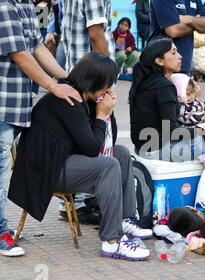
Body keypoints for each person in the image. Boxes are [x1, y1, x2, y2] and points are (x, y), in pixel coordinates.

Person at [8, 52, 153, 261]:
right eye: (106, 84)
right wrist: (101, 115)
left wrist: (106, 112)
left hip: (60, 159)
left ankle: (124, 219)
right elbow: (93, 149)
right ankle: (112, 242)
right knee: (109, 165)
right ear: (93, 81)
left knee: (120, 153)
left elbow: (103, 141)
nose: (108, 89)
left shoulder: (83, 97)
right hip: (44, 171)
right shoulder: (70, 100)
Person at [0, 0, 82, 256]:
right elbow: (19, 54)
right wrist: (54, 86)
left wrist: (67, 79)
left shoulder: (26, 5)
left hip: (12, 103)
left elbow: (37, 47)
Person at [60, 0, 116, 224]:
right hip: (92, 80)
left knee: (85, 139)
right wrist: (107, 79)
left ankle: (77, 203)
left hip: (83, 76)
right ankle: (85, 203)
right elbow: (96, 34)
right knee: (97, 140)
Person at [129, 38, 205, 162]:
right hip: (157, 151)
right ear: (159, 61)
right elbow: (171, 132)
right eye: (174, 52)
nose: (180, 56)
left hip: (142, 148)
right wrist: (202, 131)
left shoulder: (145, 82)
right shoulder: (164, 86)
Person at [147, 0, 205, 75]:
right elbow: (173, 31)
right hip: (162, 65)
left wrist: (190, 19)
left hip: (184, 63)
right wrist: (198, 24)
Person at [45, 0, 65, 70]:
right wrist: (50, 31)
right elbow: (57, 11)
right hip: (64, 36)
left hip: (85, 39)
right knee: (59, 67)